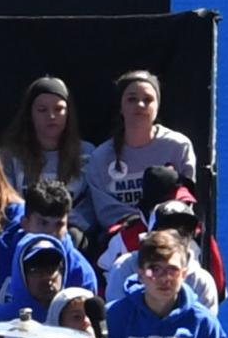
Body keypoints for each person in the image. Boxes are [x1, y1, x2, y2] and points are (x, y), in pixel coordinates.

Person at [82, 73, 196, 237]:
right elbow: (105, 212)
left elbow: (186, 199)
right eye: (132, 99)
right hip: (121, 236)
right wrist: (139, 225)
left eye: (148, 99)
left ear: (157, 106)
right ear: (121, 106)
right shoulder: (100, 156)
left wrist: (158, 225)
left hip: (170, 234)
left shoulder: (179, 146)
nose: (140, 105)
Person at [0, 178, 97, 306]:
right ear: (24, 223)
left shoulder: (80, 271)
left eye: (59, 224)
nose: (51, 233)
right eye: (43, 223)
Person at [0, 78, 90, 206]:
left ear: (68, 113)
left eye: (58, 109)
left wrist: (71, 225)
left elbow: (89, 205)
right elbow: (8, 201)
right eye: (42, 110)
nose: (51, 116)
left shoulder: (87, 154)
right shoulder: (8, 156)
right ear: (29, 114)